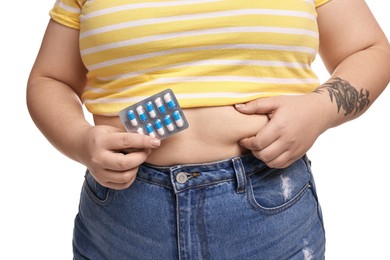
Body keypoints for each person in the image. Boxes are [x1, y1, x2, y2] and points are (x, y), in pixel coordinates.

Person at [27, 0, 389, 259]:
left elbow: (371, 49)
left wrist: (321, 108)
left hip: (267, 202)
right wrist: (79, 140)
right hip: (124, 214)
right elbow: (49, 78)